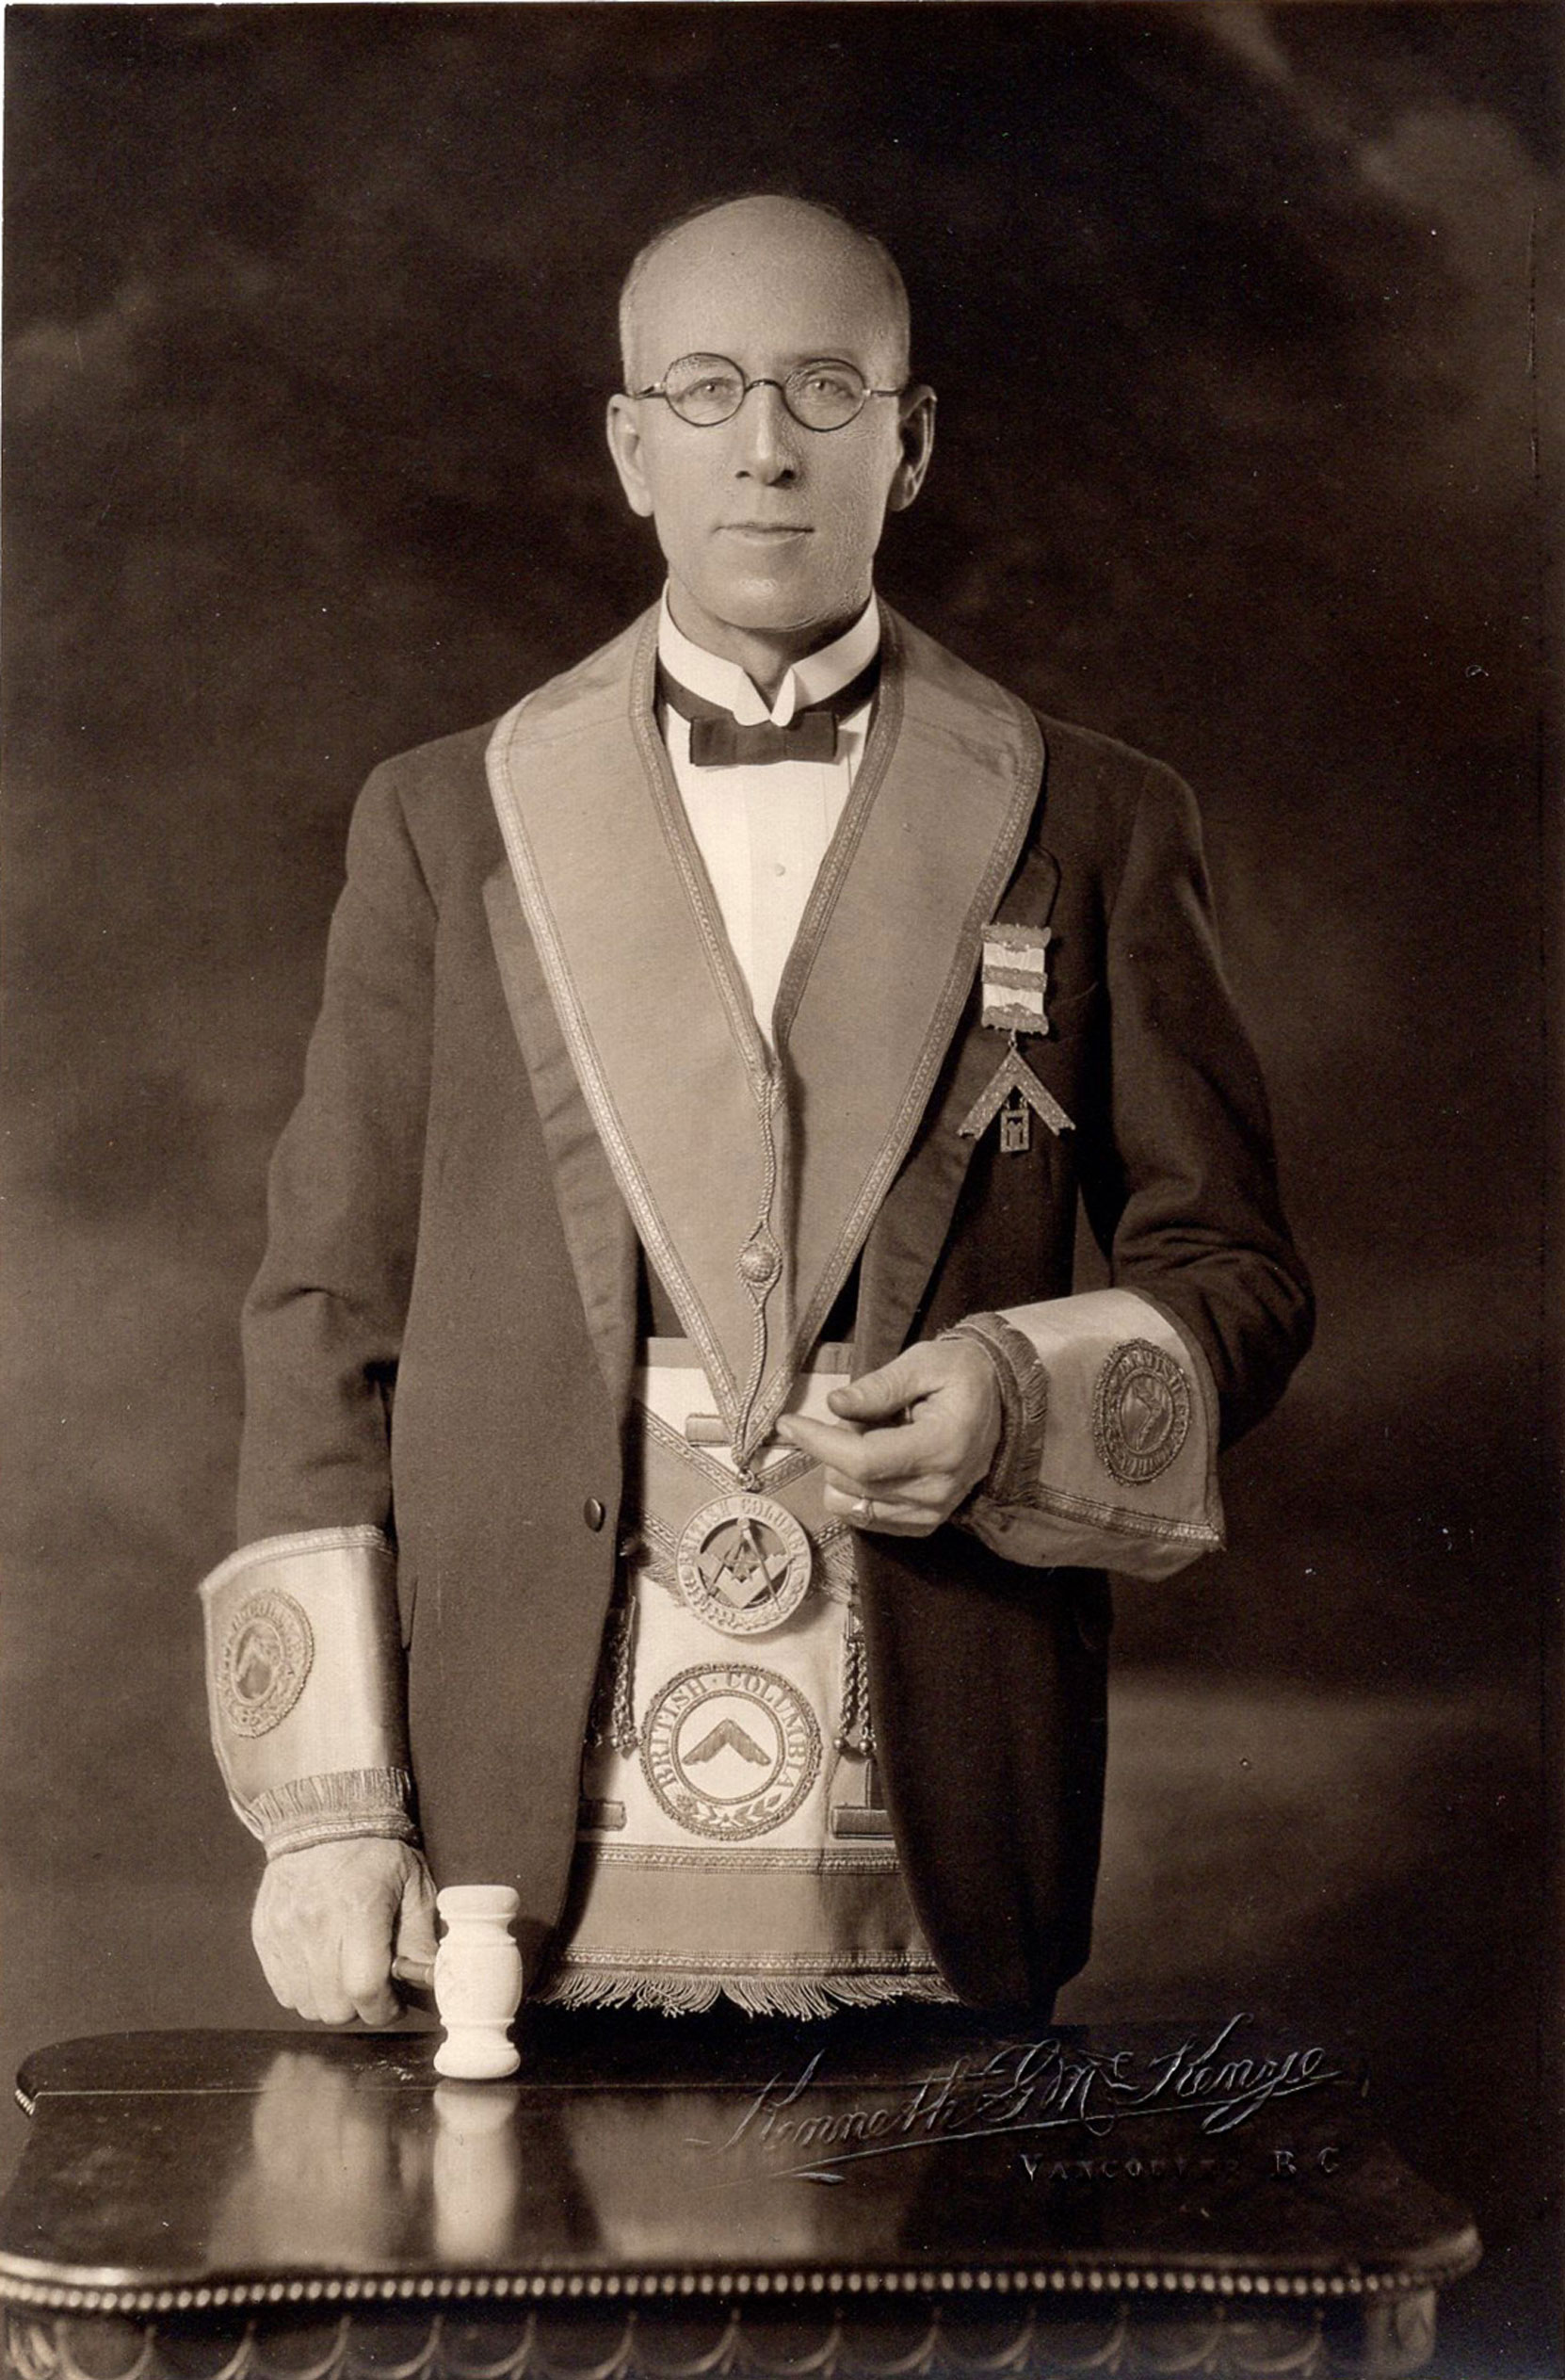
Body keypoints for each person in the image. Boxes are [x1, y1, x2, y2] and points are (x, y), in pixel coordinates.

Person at [200, 194, 1312, 2031]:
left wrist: (1019, 1400)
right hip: (510, 1818)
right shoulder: (442, 820)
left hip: (944, 1799)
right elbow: (328, 1315)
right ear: (633, 451)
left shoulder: (1098, 820)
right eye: (707, 391)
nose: (769, 444)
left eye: (821, 385)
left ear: (913, 437)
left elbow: (1238, 1273)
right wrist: (326, 1808)